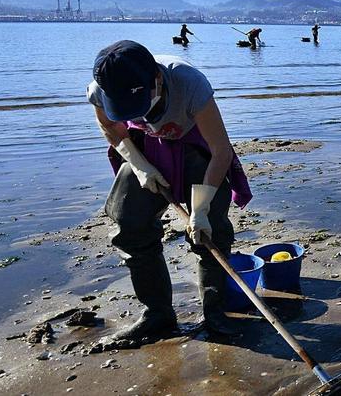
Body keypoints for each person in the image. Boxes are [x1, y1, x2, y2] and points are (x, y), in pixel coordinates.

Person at [87, 41, 252, 344]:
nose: (133, 113)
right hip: (145, 147)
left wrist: (199, 210)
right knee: (129, 225)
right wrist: (138, 165)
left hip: (194, 144)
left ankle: (215, 312)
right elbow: (110, 127)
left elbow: (221, 152)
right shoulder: (101, 88)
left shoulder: (189, 83)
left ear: (157, 81)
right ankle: (157, 314)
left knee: (210, 231)